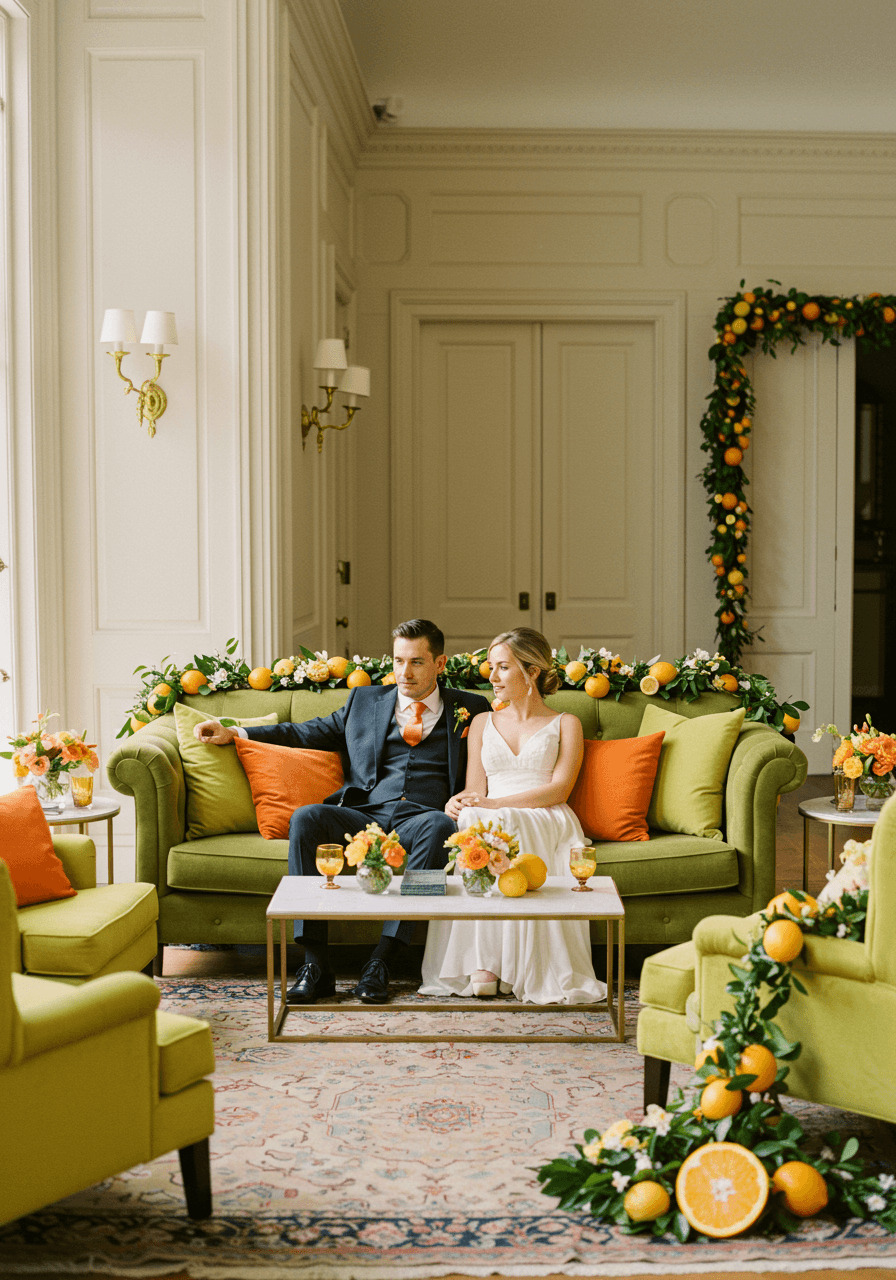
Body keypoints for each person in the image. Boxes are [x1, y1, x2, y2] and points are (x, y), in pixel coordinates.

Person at [193, 620, 490, 1006]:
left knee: (437, 826)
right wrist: (237, 733)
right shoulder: (364, 702)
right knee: (307, 817)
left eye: (416, 662)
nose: (405, 672)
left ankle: (382, 960)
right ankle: (315, 965)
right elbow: (303, 733)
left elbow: (498, 757)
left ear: (440, 663)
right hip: (364, 813)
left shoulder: (471, 708)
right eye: (399, 660)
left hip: (423, 817)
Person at [420, 628, 606, 1005]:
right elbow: (476, 790)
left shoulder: (565, 723)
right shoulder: (482, 723)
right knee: (474, 823)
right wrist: (457, 803)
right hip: (491, 812)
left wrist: (493, 807)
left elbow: (559, 789)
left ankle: (524, 965)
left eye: (503, 668)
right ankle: (485, 961)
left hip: (546, 811)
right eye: (491, 667)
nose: (492, 677)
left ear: (531, 671)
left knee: (504, 821)